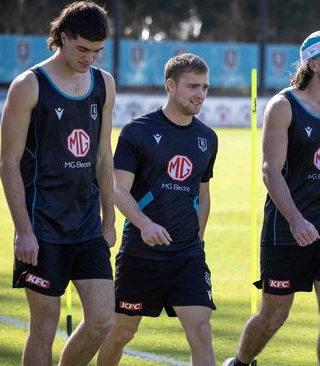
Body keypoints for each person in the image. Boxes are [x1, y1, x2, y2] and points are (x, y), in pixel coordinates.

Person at [222, 30, 320, 366]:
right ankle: (241, 361)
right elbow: (271, 170)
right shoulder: (283, 106)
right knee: (274, 313)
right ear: (313, 64)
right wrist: (296, 219)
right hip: (286, 225)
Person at [0, 1, 116, 365]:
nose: (89, 59)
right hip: (42, 225)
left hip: (86, 227)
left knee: (102, 320)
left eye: (97, 52)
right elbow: (8, 164)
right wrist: (23, 231)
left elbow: (103, 157)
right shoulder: (28, 85)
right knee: (44, 327)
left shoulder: (104, 84)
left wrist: (109, 220)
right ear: (62, 38)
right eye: (82, 49)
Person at [96, 53, 218, 366]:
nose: (200, 94)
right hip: (141, 255)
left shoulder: (207, 138)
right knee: (121, 331)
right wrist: (145, 224)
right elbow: (116, 189)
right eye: (193, 86)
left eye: (204, 87)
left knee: (201, 331)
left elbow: (203, 195)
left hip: (187, 255)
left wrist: (198, 239)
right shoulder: (138, 131)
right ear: (170, 85)